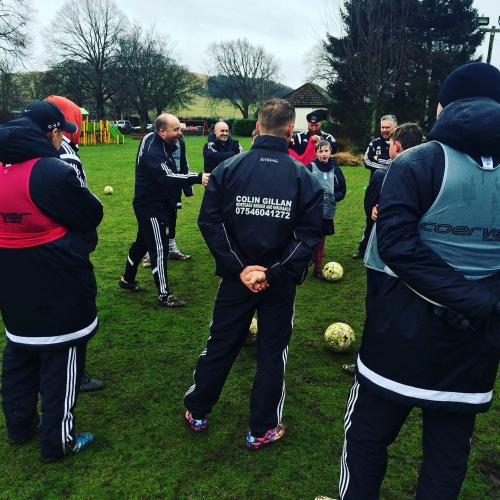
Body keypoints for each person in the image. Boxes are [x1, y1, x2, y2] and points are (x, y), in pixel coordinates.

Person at [336, 62, 500, 500]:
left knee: (366, 438)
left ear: (444, 106)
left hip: (398, 338)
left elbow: (396, 246)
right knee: (447, 455)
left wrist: (470, 301)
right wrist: (482, 302)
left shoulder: (416, 161)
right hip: (474, 346)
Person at [184, 98, 323, 449]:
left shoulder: (228, 169)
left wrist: (242, 268)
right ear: (290, 130)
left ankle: (198, 410)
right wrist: (268, 272)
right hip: (272, 283)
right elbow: (309, 235)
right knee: (271, 352)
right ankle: (261, 429)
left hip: (241, 279)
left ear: (258, 127)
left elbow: (209, 222)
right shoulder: (303, 177)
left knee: (221, 343)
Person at [0, 99, 103, 462]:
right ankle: (59, 441)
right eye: (60, 132)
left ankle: (19, 425)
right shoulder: (50, 171)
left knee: (20, 352)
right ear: (51, 132)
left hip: (11, 283)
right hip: (56, 282)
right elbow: (91, 213)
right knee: (61, 358)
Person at [342, 123, 423, 378]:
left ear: (396, 146)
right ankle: (405, 362)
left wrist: (374, 210)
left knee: (375, 308)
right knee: (409, 310)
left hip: (382, 256)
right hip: (414, 258)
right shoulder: (431, 173)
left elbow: (370, 210)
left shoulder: (382, 174)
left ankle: (369, 365)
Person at [45, 94, 105, 393]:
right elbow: (82, 205)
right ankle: (73, 374)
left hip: (29, 250)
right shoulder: (64, 155)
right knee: (73, 312)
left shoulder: (17, 154)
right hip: (63, 245)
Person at [119, 113, 209, 308]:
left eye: (180, 128)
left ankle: (127, 280)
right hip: (151, 206)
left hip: (156, 203)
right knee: (159, 248)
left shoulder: (153, 139)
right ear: (161, 131)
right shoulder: (153, 151)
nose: (180, 132)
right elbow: (168, 177)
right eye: (175, 130)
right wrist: (197, 177)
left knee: (142, 243)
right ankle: (164, 295)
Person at [352, 115, 397, 260]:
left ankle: (387, 250)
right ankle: (363, 249)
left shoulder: (398, 143)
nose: (384, 130)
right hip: (375, 188)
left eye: (387, 127)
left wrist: (380, 162)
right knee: (371, 218)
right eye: (382, 127)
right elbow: (367, 162)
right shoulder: (374, 144)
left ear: (395, 127)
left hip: (394, 187)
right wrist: (388, 165)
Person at [305, 140, 346, 279]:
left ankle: (317, 268)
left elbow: (342, 189)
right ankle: (308, 258)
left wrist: (336, 196)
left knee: (321, 240)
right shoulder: (309, 168)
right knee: (310, 237)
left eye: (326, 151)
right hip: (311, 212)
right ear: (316, 152)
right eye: (320, 151)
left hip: (327, 212)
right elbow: (302, 187)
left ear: (330, 151)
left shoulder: (336, 169)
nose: (324, 154)